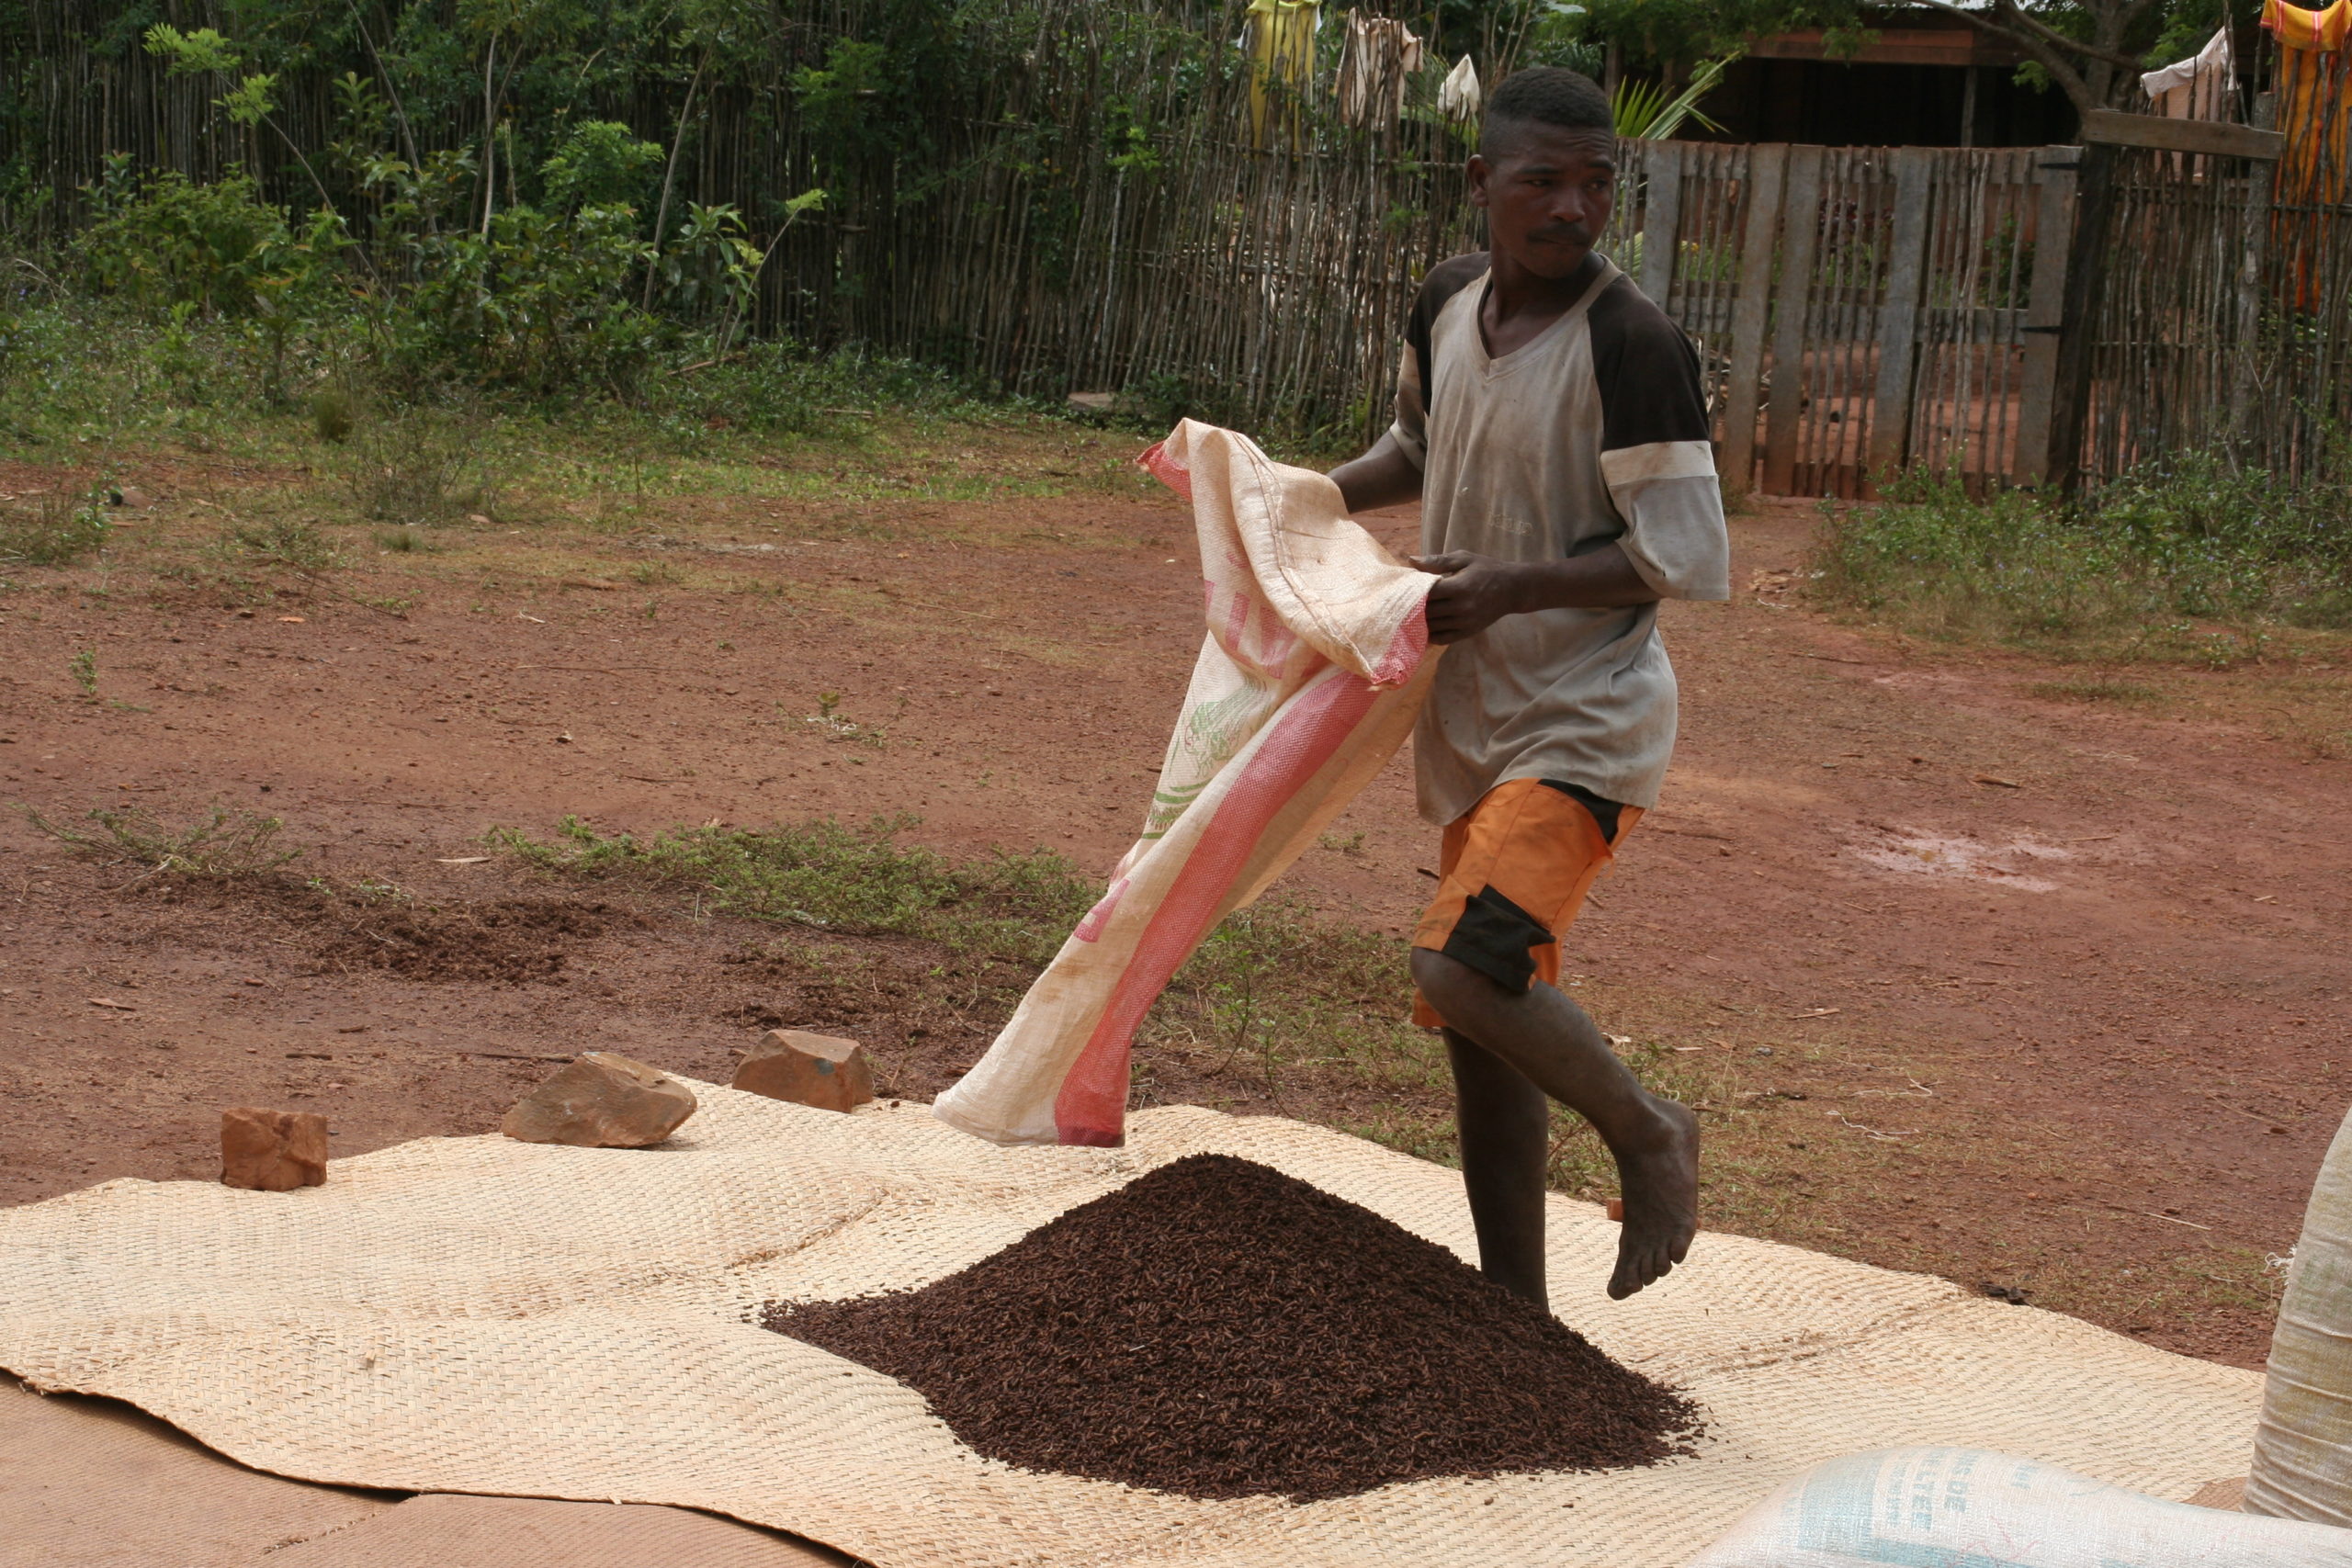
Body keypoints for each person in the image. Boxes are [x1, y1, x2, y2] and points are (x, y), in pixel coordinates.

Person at [1328, 66, 1725, 1304]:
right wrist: (1301, 499)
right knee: (1484, 1023)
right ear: (1481, 182)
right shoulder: (1449, 301)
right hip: (1474, 724)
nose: (1572, 207)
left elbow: (1679, 555)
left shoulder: (1632, 342)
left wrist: (1507, 587)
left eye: (1596, 184)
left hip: (1586, 724)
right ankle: (1515, 1322)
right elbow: (1417, 446)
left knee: (1461, 968)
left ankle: (1652, 1131)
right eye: (1542, 180)